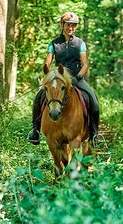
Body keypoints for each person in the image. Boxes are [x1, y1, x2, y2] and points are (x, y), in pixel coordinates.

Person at [28, 11, 100, 146]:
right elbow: (48, 62)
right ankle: (35, 131)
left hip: (75, 79)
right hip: (58, 79)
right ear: (62, 25)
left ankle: (94, 134)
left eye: (73, 25)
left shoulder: (80, 43)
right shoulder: (54, 44)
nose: (71, 28)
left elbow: (85, 65)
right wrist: (48, 74)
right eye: (68, 25)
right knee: (38, 99)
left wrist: (77, 77)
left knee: (93, 100)